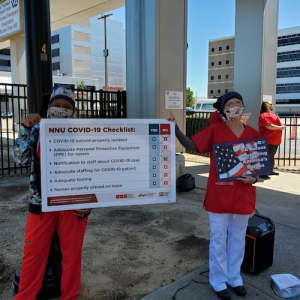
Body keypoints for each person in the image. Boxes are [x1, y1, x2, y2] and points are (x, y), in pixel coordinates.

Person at [169, 91, 259, 300]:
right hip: (219, 194)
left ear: (243, 107)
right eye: (231, 103)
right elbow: (192, 145)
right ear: (224, 109)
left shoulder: (253, 133)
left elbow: (259, 166)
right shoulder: (215, 130)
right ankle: (218, 280)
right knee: (219, 239)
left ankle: (234, 277)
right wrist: (175, 129)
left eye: (239, 102)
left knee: (238, 240)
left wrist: (254, 179)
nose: (235, 106)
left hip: (244, 194)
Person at [13, 87, 91, 300]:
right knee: (32, 256)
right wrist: (25, 128)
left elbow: (93, 169)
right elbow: (19, 159)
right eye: (56, 105)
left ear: (73, 113)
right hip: (40, 204)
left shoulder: (84, 134)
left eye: (67, 107)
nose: (61, 110)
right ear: (49, 108)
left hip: (74, 203)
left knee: (72, 257)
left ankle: (69, 297)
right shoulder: (37, 130)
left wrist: (90, 201)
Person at [258, 100, 286, 179]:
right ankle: (262, 173)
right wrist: (280, 127)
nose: (272, 106)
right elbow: (268, 125)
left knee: (271, 156)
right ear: (266, 106)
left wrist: (282, 125)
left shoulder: (273, 115)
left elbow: (278, 123)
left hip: (275, 140)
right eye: (270, 104)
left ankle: (270, 170)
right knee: (266, 157)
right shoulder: (263, 115)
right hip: (268, 139)